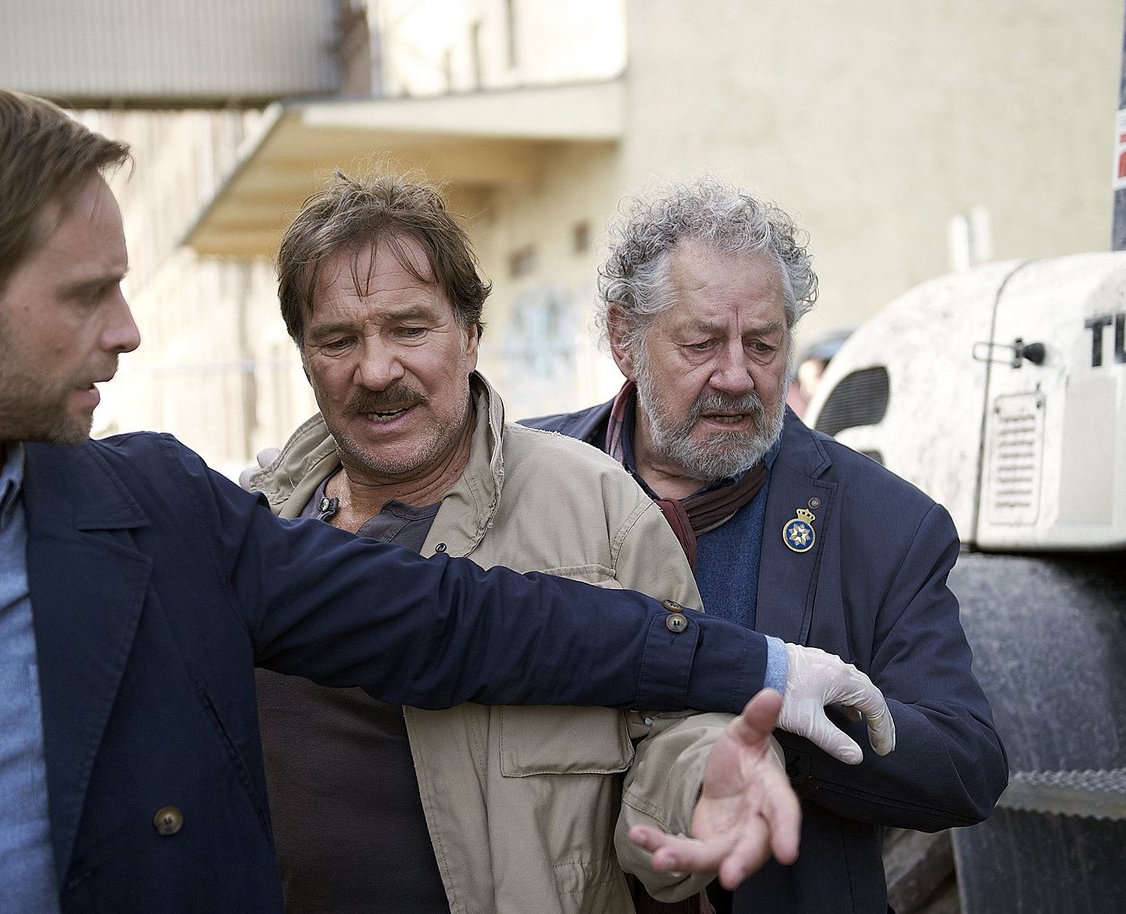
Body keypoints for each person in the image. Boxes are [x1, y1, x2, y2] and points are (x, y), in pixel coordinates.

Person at [0, 88, 895, 913]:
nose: (127, 330)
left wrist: (761, 668)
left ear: (469, 332)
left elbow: (460, 619)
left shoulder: (154, 515)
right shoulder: (226, 509)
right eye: (88, 293)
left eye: (410, 326)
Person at [246, 173, 797, 913]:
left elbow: (677, 729)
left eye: (410, 329)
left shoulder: (598, 509)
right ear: (305, 357)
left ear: (470, 335)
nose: (376, 371)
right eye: (339, 340)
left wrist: (702, 787)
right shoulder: (252, 531)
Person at [528, 178, 1009, 913]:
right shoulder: (526, 478)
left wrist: (784, 726)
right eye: (700, 344)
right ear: (624, 338)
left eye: (763, 344)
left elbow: (965, 766)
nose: (736, 377)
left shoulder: (886, 523)